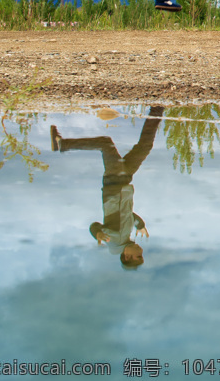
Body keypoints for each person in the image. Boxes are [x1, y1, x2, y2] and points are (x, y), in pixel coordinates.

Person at [51, 105, 163, 269]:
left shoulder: (115, 240)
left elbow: (94, 226)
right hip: (124, 180)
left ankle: (63, 145)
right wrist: (140, 225)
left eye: (138, 255)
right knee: (144, 147)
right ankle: (157, 110)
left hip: (115, 183)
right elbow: (129, 215)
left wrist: (98, 233)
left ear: (127, 255)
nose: (141, 250)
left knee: (105, 143)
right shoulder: (124, 236)